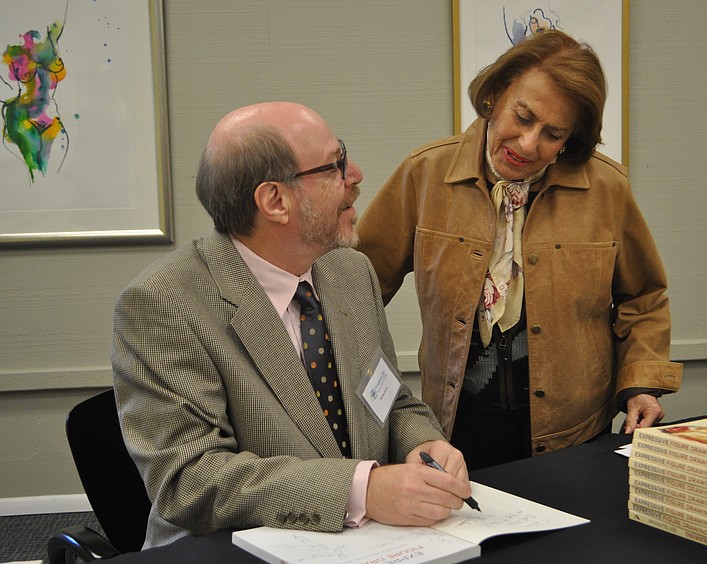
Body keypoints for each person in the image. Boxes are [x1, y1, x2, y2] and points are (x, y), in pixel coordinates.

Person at [111, 101, 472, 549]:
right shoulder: (163, 304)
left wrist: (423, 445)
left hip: (368, 545)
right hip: (230, 550)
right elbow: (189, 480)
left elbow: (388, 399)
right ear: (275, 201)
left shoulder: (350, 271)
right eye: (335, 165)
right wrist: (361, 491)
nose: (356, 175)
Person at [356, 30, 683, 471]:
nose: (528, 145)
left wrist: (641, 382)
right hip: (458, 430)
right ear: (494, 96)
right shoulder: (426, 175)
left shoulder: (606, 189)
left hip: (576, 434)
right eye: (523, 117)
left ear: (570, 139)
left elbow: (643, 298)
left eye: (553, 133)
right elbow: (354, 287)